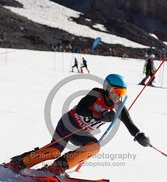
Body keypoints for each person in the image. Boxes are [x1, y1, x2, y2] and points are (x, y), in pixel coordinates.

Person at [7, 74, 151, 174]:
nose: (117, 96)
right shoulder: (96, 93)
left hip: (81, 133)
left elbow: (129, 123)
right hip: (68, 124)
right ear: (107, 88)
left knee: (94, 147)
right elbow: (82, 108)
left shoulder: (118, 106)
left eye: (122, 92)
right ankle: (20, 162)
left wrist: (139, 135)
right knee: (53, 151)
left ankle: (58, 167)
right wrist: (100, 116)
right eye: (115, 91)